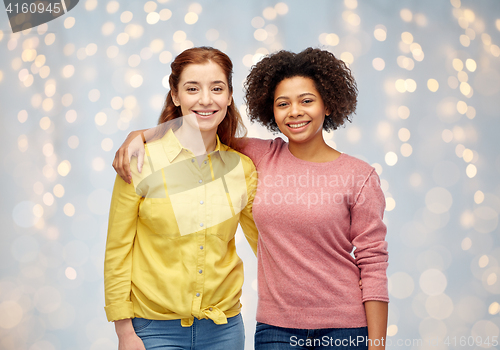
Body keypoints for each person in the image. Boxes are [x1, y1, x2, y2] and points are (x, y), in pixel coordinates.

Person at [114, 48, 389, 350]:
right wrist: (141, 134)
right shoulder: (259, 157)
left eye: (307, 100)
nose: (295, 111)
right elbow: (201, 128)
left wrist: (376, 344)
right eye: (283, 103)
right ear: (271, 110)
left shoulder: (358, 175)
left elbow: (373, 264)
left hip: (344, 328)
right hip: (277, 329)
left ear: (328, 103)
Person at [104, 46, 259, 350]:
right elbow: (118, 251)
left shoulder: (242, 168)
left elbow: (268, 244)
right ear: (175, 95)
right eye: (192, 88)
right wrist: (124, 332)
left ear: (229, 96)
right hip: (152, 330)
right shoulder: (139, 161)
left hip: (224, 331)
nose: (205, 99)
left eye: (217, 88)